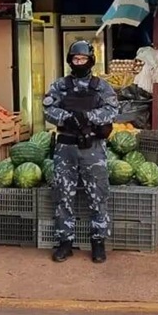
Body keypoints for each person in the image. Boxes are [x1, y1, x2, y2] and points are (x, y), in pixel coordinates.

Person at [43, 41, 119, 264]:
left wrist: (88, 117)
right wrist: (67, 118)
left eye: (83, 59)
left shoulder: (101, 87)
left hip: (92, 148)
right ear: (70, 61)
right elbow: (48, 109)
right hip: (66, 148)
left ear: (90, 60)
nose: (79, 62)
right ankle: (64, 243)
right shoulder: (60, 86)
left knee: (98, 196)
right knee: (63, 196)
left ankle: (98, 243)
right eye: (75, 59)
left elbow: (112, 110)